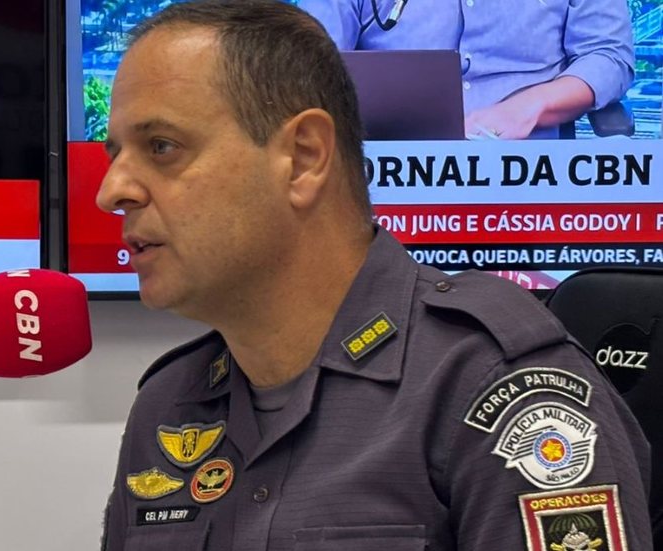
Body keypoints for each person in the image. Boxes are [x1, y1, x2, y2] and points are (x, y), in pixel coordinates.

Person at [96, 1, 653, 548]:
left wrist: (529, 106)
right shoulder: (170, 404)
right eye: (114, 154)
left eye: (162, 147)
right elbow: (312, 52)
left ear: (305, 157)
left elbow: (608, 55)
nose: (111, 191)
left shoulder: (498, 388)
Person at [299, 0, 635, 139]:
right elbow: (310, 62)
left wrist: (528, 108)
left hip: (526, 167)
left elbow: (609, 56)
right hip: (382, 165)